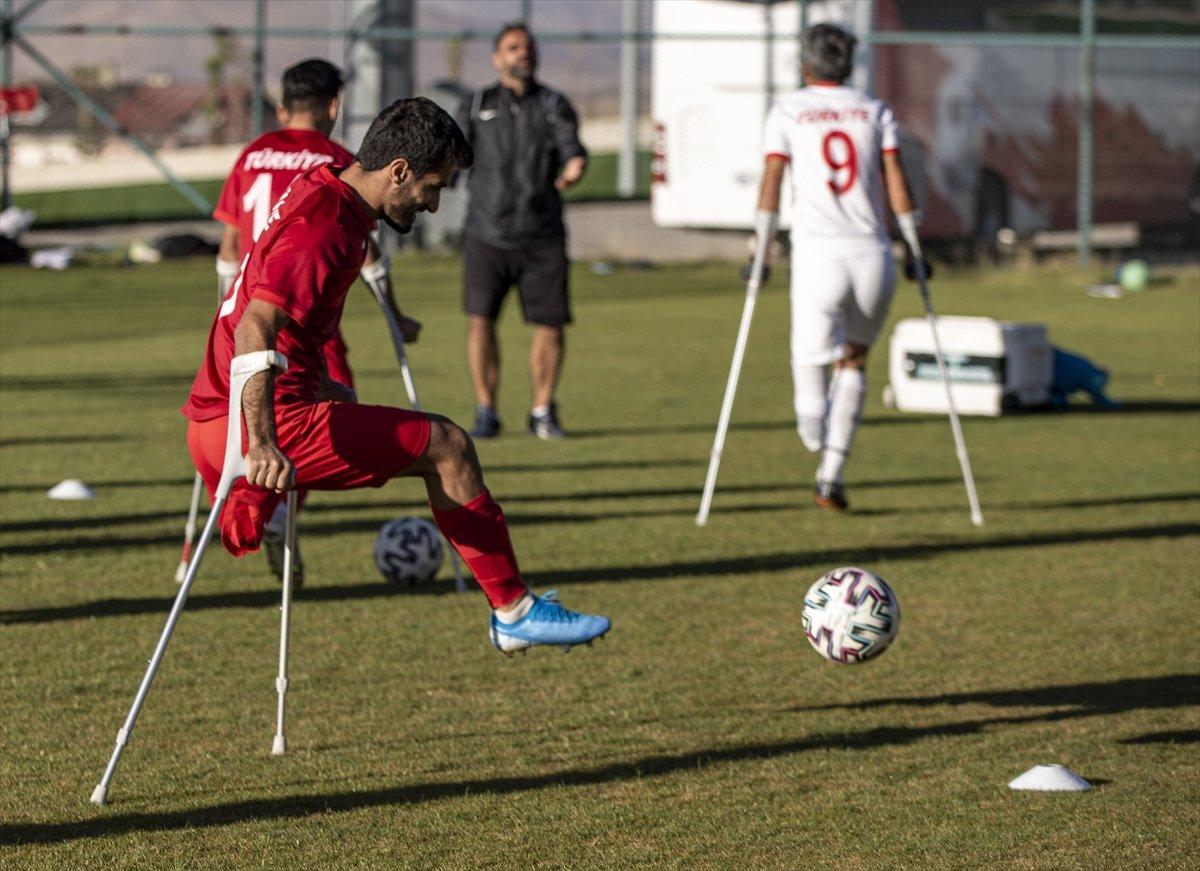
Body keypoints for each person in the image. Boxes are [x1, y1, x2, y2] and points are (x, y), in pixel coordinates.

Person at [184, 97, 610, 654]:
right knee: (450, 447)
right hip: (244, 422)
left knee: (364, 408)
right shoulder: (325, 228)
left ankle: (253, 507)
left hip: (219, 416)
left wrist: (323, 390)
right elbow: (255, 328)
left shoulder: (327, 188)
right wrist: (259, 442)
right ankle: (513, 611)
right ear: (399, 171)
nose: (432, 205)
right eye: (433, 187)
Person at [213, 58, 421, 583]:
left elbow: (230, 245)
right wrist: (395, 315)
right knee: (331, 417)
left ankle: (250, 511)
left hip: (244, 313)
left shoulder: (251, 155)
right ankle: (272, 508)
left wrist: (225, 303)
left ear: (283, 107)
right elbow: (366, 252)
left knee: (252, 421)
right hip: (304, 318)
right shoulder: (335, 162)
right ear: (334, 107)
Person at [755, 23, 919, 511]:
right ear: (850, 64)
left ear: (806, 63)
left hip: (819, 257)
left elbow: (771, 181)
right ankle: (830, 474)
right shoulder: (874, 110)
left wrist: (759, 250)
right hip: (872, 256)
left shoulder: (787, 110)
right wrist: (914, 246)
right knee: (854, 360)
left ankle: (812, 434)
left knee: (809, 361)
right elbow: (897, 183)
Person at [456, 22, 588, 440]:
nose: (523, 54)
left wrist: (573, 166)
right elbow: (454, 154)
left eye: (528, 47)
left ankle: (542, 411)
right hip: (485, 234)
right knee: (480, 323)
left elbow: (572, 148)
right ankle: (486, 411)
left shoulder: (553, 104)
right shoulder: (476, 104)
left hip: (541, 235)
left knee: (549, 324)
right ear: (497, 58)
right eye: (513, 48)